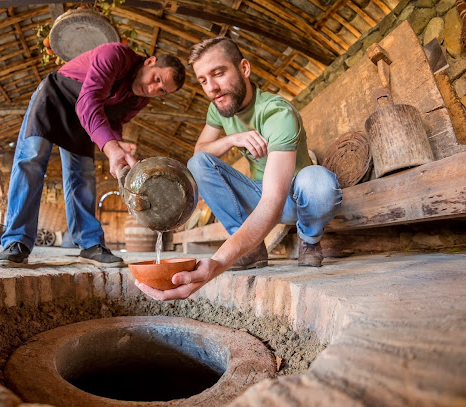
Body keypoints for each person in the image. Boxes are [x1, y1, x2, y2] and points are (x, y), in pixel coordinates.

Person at [136, 37, 342, 301]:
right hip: (257, 193)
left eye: (218, 73)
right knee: (197, 163)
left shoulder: (276, 113)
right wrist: (232, 139)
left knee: (318, 182)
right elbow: (200, 150)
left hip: (291, 195)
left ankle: (310, 240)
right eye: (203, 80)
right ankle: (251, 249)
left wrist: (219, 261)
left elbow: (274, 200)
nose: (211, 88)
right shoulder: (219, 108)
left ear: (244, 68)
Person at [0, 42, 186, 267]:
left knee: (83, 174)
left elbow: (115, 120)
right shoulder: (115, 54)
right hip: (55, 97)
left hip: (84, 120)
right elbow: (89, 100)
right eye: (157, 79)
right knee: (32, 158)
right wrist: (111, 147)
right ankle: (17, 241)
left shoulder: (139, 99)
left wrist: (118, 146)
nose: (154, 89)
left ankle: (90, 244)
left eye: (162, 91)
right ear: (150, 61)